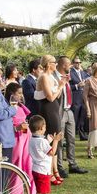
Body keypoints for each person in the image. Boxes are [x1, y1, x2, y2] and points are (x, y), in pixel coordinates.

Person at [34, 55, 67, 184]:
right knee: (51, 140)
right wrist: (60, 86)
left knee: (56, 140)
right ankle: (49, 173)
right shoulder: (43, 77)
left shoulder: (51, 76)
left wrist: (60, 86)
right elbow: (50, 97)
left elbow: (56, 95)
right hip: (47, 109)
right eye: (54, 62)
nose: (56, 64)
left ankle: (55, 171)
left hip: (54, 108)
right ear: (49, 64)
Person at [54, 56, 88, 179]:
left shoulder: (66, 77)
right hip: (59, 112)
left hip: (69, 110)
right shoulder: (54, 77)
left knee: (71, 139)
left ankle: (72, 164)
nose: (71, 67)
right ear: (64, 65)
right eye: (69, 65)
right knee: (59, 141)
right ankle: (59, 166)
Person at [4, 83, 35, 194]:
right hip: (16, 139)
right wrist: (16, 128)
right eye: (19, 93)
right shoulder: (8, 108)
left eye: (22, 93)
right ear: (12, 95)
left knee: (29, 164)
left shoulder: (21, 107)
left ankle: (33, 192)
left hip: (27, 136)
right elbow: (5, 126)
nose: (22, 96)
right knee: (17, 166)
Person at [28, 115, 60, 194]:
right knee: (41, 192)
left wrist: (49, 141)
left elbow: (41, 149)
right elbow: (52, 152)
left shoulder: (32, 139)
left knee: (40, 190)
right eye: (45, 127)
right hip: (42, 170)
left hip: (36, 169)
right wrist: (55, 141)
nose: (45, 128)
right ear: (41, 128)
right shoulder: (42, 142)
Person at [70, 57, 89, 141]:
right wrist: (77, 86)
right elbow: (67, 87)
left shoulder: (83, 73)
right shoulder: (70, 73)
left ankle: (82, 134)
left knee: (82, 117)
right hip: (75, 98)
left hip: (83, 97)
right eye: (76, 62)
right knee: (74, 117)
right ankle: (72, 136)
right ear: (73, 63)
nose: (78, 64)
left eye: (79, 62)